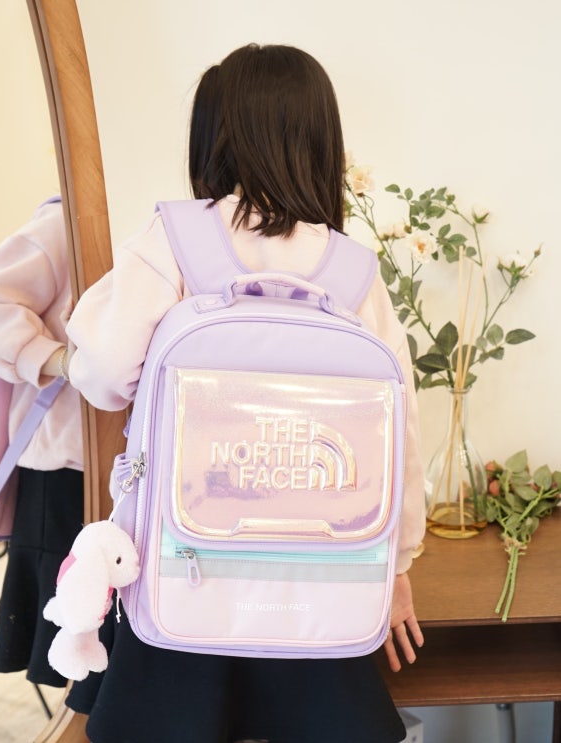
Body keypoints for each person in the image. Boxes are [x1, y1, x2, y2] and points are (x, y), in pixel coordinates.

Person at [64, 44, 426, 743]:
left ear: (214, 136)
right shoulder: (353, 270)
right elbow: (402, 433)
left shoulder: (173, 239)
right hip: (319, 575)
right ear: (320, 142)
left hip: (184, 564)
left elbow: (102, 372)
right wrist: (399, 565)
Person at [0, 196, 84, 689]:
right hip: (64, 466)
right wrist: (59, 359)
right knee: (69, 648)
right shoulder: (66, 222)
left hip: (136, 465)